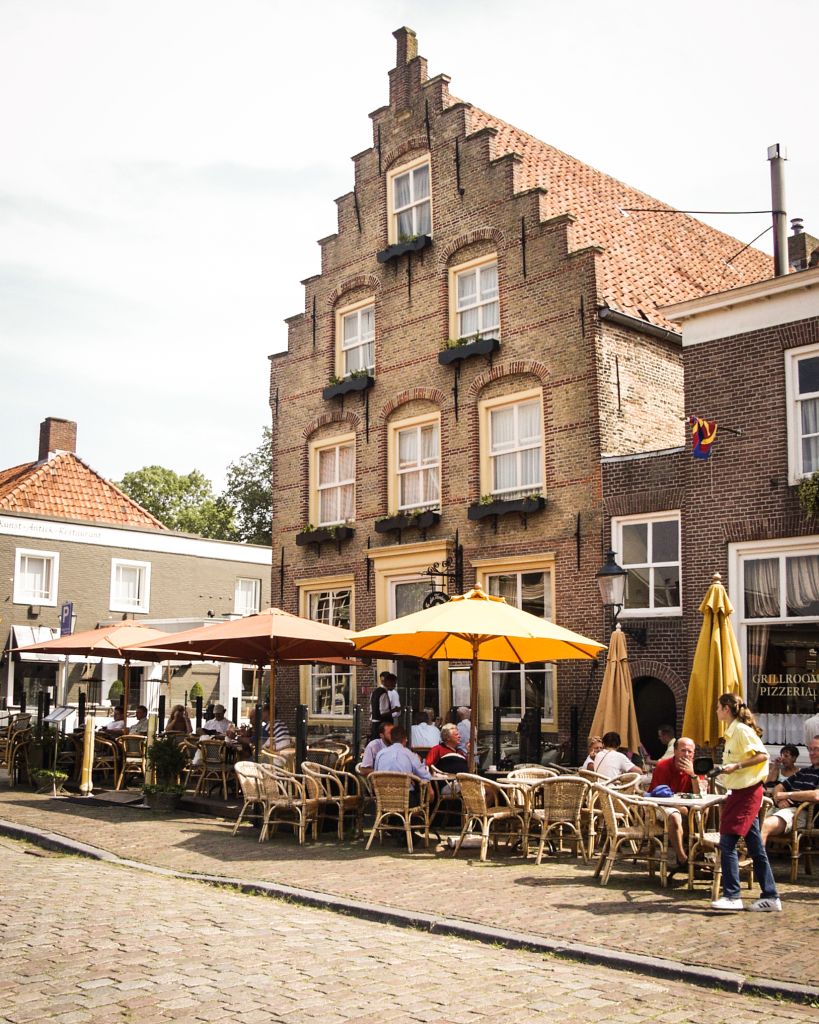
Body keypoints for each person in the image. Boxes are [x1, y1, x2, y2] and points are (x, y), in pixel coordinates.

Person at [711, 693, 780, 912]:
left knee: (728, 842)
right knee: (755, 846)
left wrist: (736, 767)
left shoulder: (741, 730)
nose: (716, 711)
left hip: (747, 793)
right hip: (740, 791)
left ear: (727, 709)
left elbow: (762, 755)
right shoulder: (733, 733)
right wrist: (723, 770)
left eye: (718, 707)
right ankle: (771, 896)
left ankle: (732, 895)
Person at [648, 737, 697, 871]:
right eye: (683, 751)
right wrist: (679, 807)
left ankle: (699, 855)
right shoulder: (663, 766)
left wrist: (692, 774)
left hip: (687, 806)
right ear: (675, 751)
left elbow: (699, 795)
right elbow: (657, 796)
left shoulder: (695, 767)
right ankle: (683, 859)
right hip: (660, 805)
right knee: (675, 816)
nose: (686, 754)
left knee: (705, 814)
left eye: (690, 751)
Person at [762, 735, 819, 846]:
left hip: (800, 813)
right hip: (782, 808)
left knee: (764, 826)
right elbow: (779, 787)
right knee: (750, 823)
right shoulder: (803, 772)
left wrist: (787, 795)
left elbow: (816, 795)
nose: (812, 753)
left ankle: (751, 861)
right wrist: (779, 800)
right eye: (810, 749)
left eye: (816, 749)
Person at [374, 724, 431, 803]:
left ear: (392, 739)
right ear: (405, 739)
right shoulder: (410, 755)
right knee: (424, 795)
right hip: (405, 799)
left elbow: (375, 774)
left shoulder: (380, 754)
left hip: (383, 799)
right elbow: (425, 776)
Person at [370, 672, 396, 739]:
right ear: (388, 682)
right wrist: (394, 710)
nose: (395, 685)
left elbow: (372, 709)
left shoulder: (375, 692)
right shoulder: (383, 693)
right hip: (381, 725)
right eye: (394, 683)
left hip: (375, 724)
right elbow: (383, 713)